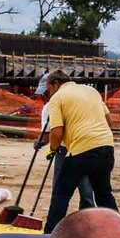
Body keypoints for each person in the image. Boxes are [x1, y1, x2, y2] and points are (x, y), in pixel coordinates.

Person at [43, 74, 118, 233]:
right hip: (106, 147)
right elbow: (109, 122)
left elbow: (56, 131)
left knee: (60, 195)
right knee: (104, 195)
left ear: (55, 84)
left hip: (81, 150)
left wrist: (52, 150)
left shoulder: (57, 98)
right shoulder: (91, 91)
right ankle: (119, 234)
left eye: (49, 89)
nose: (49, 94)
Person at [35, 70, 93, 212]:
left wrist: (43, 144)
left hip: (67, 150)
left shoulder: (51, 105)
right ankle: (87, 218)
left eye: (47, 91)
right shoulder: (84, 97)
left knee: (61, 192)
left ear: (55, 85)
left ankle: (58, 222)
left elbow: (53, 133)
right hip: (86, 147)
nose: (46, 96)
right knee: (86, 192)